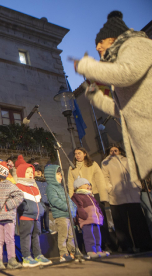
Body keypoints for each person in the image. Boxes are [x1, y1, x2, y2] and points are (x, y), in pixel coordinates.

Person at [75, 10, 152, 183]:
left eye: (100, 42)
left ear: (114, 38)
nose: (97, 47)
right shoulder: (120, 68)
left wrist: (89, 66)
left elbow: (128, 72)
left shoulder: (137, 44)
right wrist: (92, 91)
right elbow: (120, 111)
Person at [101, 146, 152, 252]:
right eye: (111, 151)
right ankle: (126, 245)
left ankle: (144, 244)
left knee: (138, 221)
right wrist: (110, 189)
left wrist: (137, 186)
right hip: (117, 196)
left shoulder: (128, 160)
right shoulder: (105, 162)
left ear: (120, 151)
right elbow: (105, 177)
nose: (113, 152)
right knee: (121, 223)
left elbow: (136, 173)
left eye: (115, 150)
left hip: (132, 194)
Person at [67, 147, 113, 251]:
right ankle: (88, 247)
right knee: (85, 222)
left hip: (94, 195)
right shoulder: (72, 168)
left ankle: (105, 244)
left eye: (79, 153)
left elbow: (100, 180)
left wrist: (103, 197)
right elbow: (70, 184)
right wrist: (71, 199)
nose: (77, 155)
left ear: (84, 154)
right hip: (79, 198)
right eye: (75, 154)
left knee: (99, 221)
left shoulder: (92, 164)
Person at [16, 156, 52, 267]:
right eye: (27, 172)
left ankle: (38, 254)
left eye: (31, 172)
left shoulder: (34, 187)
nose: (31, 174)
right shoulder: (19, 186)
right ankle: (26, 257)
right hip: (26, 216)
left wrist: (41, 208)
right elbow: (18, 201)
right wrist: (25, 208)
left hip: (36, 216)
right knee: (26, 235)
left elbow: (39, 199)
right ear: (22, 173)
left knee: (36, 234)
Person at [71, 178, 109, 258]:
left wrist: (101, 215)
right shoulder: (77, 196)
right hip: (86, 220)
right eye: (85, 184)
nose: (88, 186)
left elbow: (97, 207)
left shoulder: (90, 196)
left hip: (95, 220)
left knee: (97, 236)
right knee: (89, 236)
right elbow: (78, 207)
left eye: (88, 184)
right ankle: (91, 251)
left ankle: (98, 250)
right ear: (79, 186)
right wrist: (83, 215)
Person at [46, 165, 77, 262]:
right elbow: (54, 201)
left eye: (61, 175)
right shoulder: (51, 188)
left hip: (68, 215)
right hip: (61, 216)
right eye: (58, 174)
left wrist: (73, 208)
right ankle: (63, 254)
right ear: (52, 175)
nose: (61, 177)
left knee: (71, 236)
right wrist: (67, 207)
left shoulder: (61, 187)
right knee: (63, 236)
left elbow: (69, 200)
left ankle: (73, 253)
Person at [34, 164, 55, 235]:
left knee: (46, 215)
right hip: (39, 201)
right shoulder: (34, 181)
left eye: (39, 170)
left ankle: (47, 228)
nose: (38, 172)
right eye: (36, 171)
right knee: (41, 215)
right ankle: (41, 228)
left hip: (46, 200)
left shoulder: (45, 181)